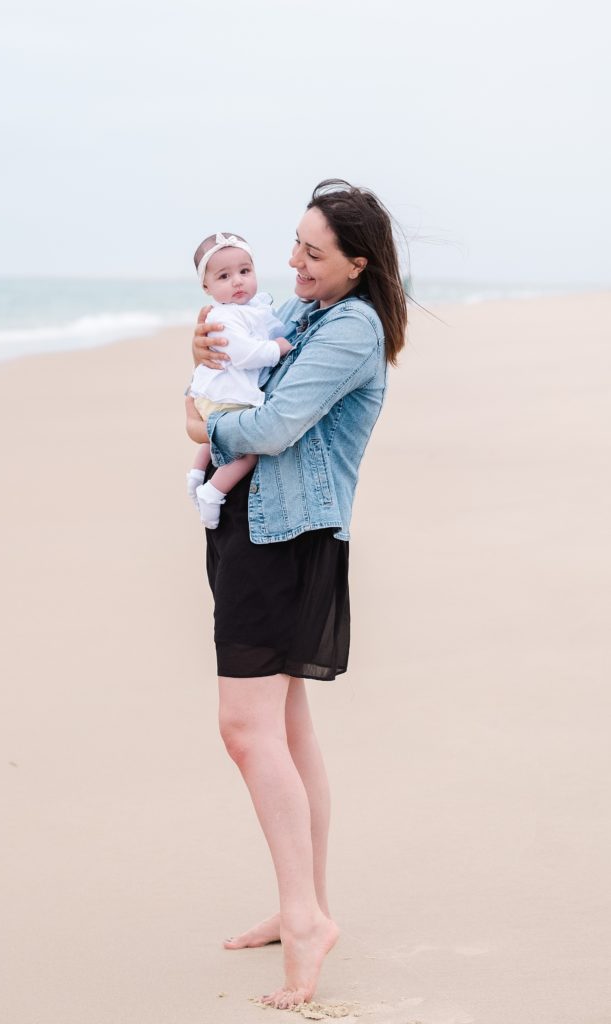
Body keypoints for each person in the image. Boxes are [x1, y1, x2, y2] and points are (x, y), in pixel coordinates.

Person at [185, 179, 407, 1010]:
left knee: (244, 731)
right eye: (294, 245)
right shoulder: (304, 313)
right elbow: (227, 360)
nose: (291, 264)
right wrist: (202, 372)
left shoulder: (350, 326)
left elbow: (270, 426)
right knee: (282, 725)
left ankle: (307, 919)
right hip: (253, 530)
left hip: (284, 543)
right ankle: (301, 905)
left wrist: (204, 422)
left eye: (312, 254)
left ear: (357, 262)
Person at [186, 231, 293, 528]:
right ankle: (213, 491)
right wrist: (277, 349)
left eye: (244, 271)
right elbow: (246, 354)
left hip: (215, 395)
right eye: (224, 276)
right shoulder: (225, 318)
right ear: (206, 286)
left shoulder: (248, 309)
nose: (237, 281)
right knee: (247, 453)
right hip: (227, 396)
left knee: (215, 435)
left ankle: (196, 471)